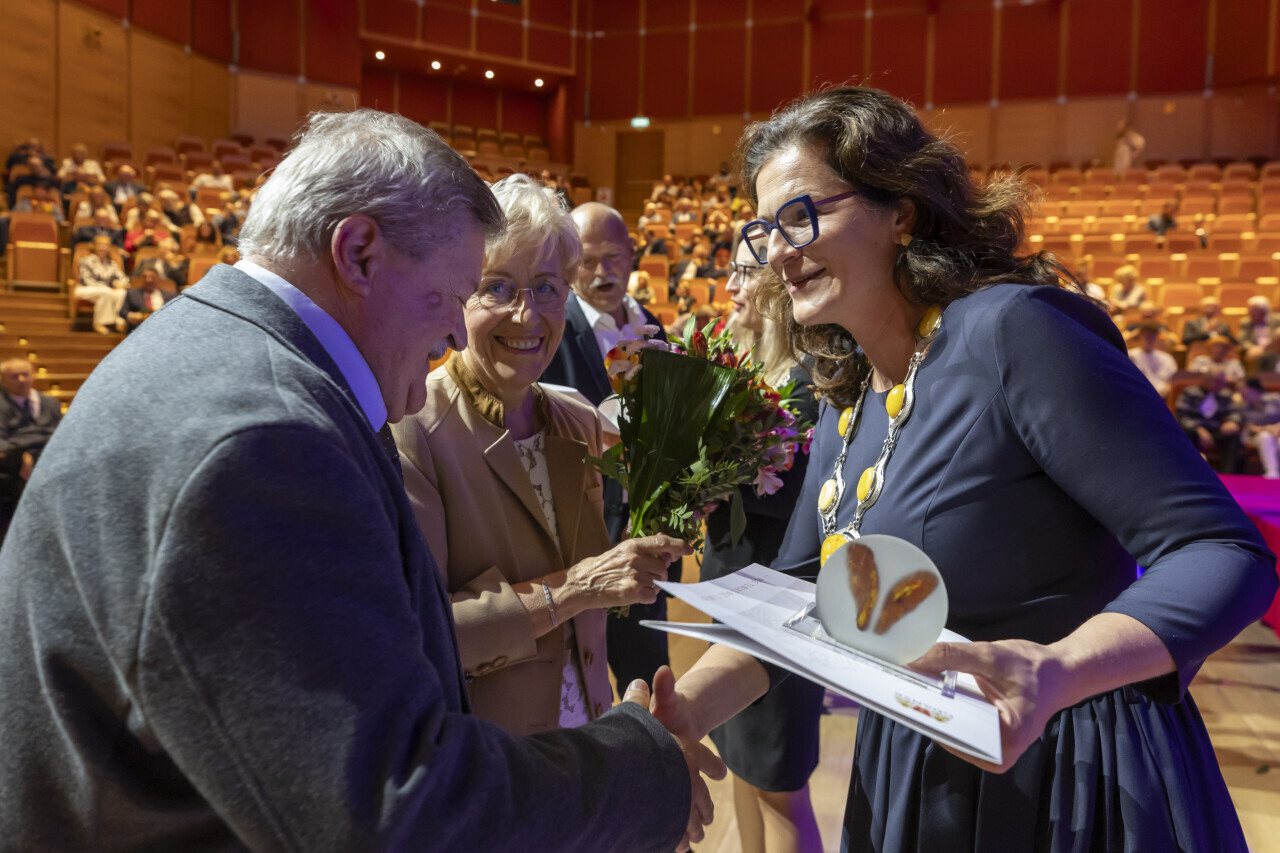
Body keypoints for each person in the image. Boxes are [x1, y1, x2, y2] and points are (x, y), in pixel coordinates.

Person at [0, 109, 718, 852]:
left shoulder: (224, 356)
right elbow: (393, 809)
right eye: (458, 293)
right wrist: (643, 770)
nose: (456, 332)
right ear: (360, 254)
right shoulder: (265, 442)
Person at [649, 86, 1276, 852]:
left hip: (1071, 761)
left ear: (902, 213)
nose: (777, 251)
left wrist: (1061, 668)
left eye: (801, 216)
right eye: (764, 229)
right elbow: (804, 592)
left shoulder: (1014, 331)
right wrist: (683, 712)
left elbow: (1224, 551)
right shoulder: (845, 390)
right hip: (916, 759)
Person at [393, 174, 692, 736]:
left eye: (547, 287)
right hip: (490, 755)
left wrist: (678, 511)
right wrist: (577, 588)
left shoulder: (577, 418)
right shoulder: (414, 431)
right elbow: (421, 636)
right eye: (498, 287)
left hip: (588, 734)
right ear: (458, 295)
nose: (527, 315)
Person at [703, 239, 824, 853]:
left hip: (777, 605)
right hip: (735, 595)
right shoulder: (754, 376)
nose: (730, 288)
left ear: (779, 286)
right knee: (743, 772)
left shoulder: (805, 388)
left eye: (744, 274)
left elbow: (789, 503)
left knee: (778, 787)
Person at [539, 202, 675, 696]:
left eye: (613, 257)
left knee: (649, 683)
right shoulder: (553, 328)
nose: (602, 272)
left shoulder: (651, 323)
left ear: (633, 255)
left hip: (646, 540)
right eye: (588, 260)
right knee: (587, 689)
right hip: (582, 544)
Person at [0, 358, 61, 539]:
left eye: (25, 375)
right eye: (14, 376)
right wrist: (22, 455)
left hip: (49, 453)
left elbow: (62, 433)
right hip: (15, 457)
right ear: (3, 380)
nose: (21, 380)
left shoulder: (50, 402)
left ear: (32, 376)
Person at [1177, 370, 1244, 472]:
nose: (1223, 385)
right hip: (1194, 429)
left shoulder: (1225, 394)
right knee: (1187, 433)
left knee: (1233, 435)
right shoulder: (1190, 392)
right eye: (1219, 382)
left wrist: (1232, 422)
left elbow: (1235, 412)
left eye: (1223, 382)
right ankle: (1188, 471)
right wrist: (1198, 429)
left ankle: (1226, 473)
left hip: (1215, 430)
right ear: (1207, 380)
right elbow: (1182, 416)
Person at [76, 234, 130, 334]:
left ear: (109, 248)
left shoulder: (112, 264)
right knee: (105, 292)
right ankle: (99, 324)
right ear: (95, 246)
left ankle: (119, 322)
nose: (102, 248)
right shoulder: (86, 260)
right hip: (85, 289)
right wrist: (108, 287)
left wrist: (121, 284)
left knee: (121, 293)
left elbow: (123, 278)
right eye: (100, 245)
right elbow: (86, 280)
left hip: (106, 291)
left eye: (105, 245)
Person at [1241, 377, 1280, 478]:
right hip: (1255, 436)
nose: (1243, 392)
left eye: (1246, 389)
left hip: (1277, 433)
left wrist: (1277, 428)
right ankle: (1272, 471)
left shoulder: (1274, 401)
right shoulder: (1244, 406)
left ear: (1254, 390)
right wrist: (1268, 429)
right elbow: (1249, 427)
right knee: (1265, 437)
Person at [1128, 320, 1178, 398]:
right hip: (1138, 396)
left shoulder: (1167, 358)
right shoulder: (1130, 356)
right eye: (1147, 336)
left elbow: (1173, 382)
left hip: (1162, 397)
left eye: (1152, 336)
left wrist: (1165, 391)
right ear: (1140, 336)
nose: (1150, 340)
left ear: (1157, 337)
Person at [1239, 295, 1280, 372]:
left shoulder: (1277, 319)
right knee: (1255, 356)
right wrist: (1251, 347)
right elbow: (1243, 340)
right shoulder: (1245, 322)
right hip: (1256, 350)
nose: (1250, 313)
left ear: (1264, 311)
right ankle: (1258, 379)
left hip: (1273, 348)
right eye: (1250, 310)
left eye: (1253, 310)